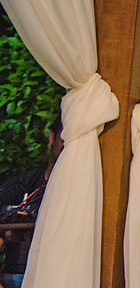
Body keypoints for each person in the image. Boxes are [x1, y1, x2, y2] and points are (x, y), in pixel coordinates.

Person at [0, 117, 64, 288]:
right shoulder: (23, 184)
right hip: (17, 273)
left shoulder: (83, 191)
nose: (67, 144)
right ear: (52, 137)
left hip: (57, 274)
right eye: (64, 136)